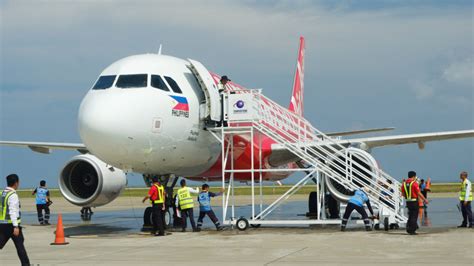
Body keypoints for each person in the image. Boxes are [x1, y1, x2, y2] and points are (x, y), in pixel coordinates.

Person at [0, 174, 30, 265]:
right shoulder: (13, 195)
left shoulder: (2, 193)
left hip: (2, 224)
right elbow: (13, 211)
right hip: (11, 226)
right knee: (20, 246)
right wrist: (16, 226)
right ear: (16, 183)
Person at [401, 171, 428, 235]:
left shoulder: (404, 184)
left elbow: (403, 194)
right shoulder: (414, 183)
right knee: (414, 216)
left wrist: (407, 197)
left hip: (408, 202)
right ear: (414, 176)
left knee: (410, 215)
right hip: (414, 201)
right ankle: (412, 230)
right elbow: (419, 193)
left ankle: (409, 228)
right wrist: (425, 199)